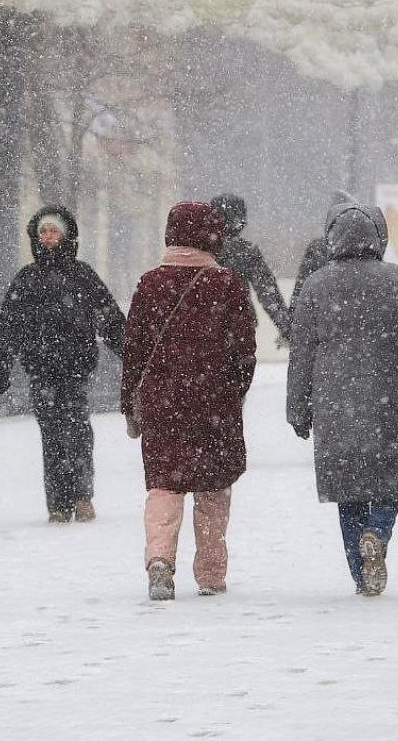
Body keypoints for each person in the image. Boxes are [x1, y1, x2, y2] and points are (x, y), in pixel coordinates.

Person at [288, 203, 398, 596]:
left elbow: (302, 355)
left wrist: (298, 409)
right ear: (378, 237)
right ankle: (378, 533)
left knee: (348, 492)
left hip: (334, 407)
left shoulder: (315, 287)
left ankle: (361, 574)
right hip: (388, 401)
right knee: (390, 479)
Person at [121, 201, 256, 601]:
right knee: (213, 488)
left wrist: (130, 402)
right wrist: (234, 389)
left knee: (165, 485)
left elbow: (134, 351)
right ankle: (211, 573)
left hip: (163, 404)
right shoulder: (228, 284)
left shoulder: (149, 284)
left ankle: (160, 560)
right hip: (214, 405)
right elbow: (245, 351)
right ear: (213, 237)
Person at [0, 205, 125, 523]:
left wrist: (132, 354)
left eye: (54, 231)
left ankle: (82, 495)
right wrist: (1, 365)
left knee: (77, 430)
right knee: (51, 434)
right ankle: (58, 503)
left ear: (66, 235)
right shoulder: (27, 278)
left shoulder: (82, 275)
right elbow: (9, 325)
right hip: (41, 369)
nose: (48, 237)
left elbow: (109, 319)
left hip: (75, 367)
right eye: (44, 232)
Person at [209, 193, 291, 340]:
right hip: (240, 323)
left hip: (204, 325)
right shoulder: (246, 251)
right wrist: (286, 326)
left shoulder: (201, 249)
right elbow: (267, 292)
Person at [288, 189, 354, 322]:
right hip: (354, 320)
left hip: (323, 321)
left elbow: (301, 288)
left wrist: (291, 322)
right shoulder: (363, 249)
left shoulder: (317, 248)